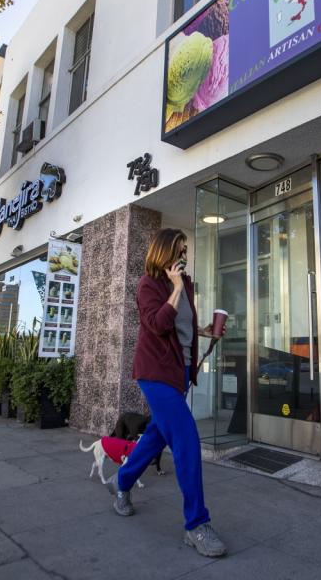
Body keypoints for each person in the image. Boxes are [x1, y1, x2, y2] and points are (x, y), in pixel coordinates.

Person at [110, 228, 227, 558]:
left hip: (178, 375)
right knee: (187, 438)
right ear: (164, 253)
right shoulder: (149, 285)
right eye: (179, 250)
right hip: (154, 373)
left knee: (154, 439)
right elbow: (159, 324)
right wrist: (175, 289)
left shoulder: (186, 285)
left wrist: (204, 331)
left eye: (186, 250)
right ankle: (196, 524)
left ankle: (121, 482)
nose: (184, 257)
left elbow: (181, 328)